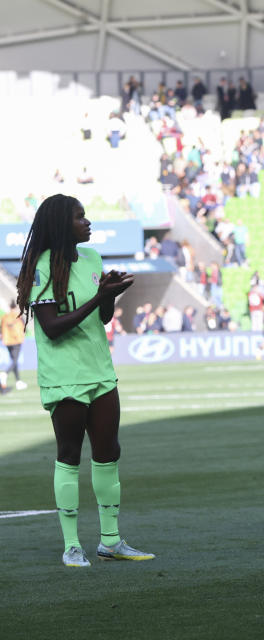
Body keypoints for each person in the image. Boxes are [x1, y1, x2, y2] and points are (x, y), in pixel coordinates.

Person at [14, 194, 152, 567]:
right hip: (64, 376)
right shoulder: (41, 266)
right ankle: (72, 545)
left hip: (99, 371)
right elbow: (52, 327)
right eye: (80, 217)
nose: (87, 222)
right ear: (62, 225)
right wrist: (97, 299)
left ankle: (110, 540)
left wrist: (109, 297)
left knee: (109, 452)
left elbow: (102, 319)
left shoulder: (91, 260)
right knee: (70, 455)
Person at [2, 300, 27, 390]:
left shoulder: (5, 317)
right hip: (16, 341)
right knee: (15, 361)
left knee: (13, 361)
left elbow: (1, 329)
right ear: (15, 307)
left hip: (8, 341)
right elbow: (24, 327)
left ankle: (18, 381)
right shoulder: (19, 316)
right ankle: (5, 373)